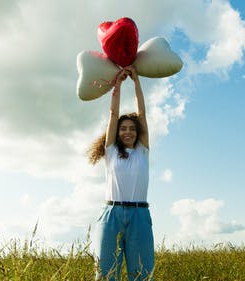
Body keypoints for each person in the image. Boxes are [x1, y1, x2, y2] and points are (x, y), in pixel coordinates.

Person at [87, 65, 154, 281]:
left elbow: (142, 114)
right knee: (106, 273)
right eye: (123, 128)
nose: (128, 132)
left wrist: (136, 82)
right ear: (117, 132)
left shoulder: (142, 151)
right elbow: (113, 114)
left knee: (142, 274)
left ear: (137, 133)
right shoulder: (111, 151)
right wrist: (117, 84)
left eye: (132, 129)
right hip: (112, 215)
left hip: (139, 215)